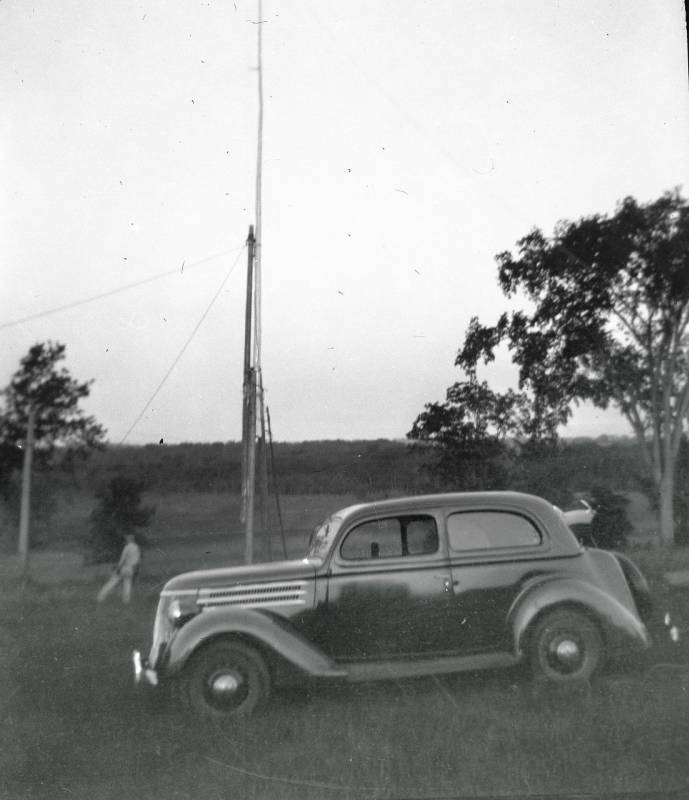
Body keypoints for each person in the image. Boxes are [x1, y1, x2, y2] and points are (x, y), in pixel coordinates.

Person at [97, 533, 141, 604]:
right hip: (132, 569)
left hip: (125, 567)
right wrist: (137, 569)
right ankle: (126, 600)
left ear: (128, 539)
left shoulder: (127, 547)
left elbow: (122, 559)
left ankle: (101, 596)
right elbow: (138, 560)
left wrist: (118, 569)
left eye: (126, 539)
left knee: (112, 582)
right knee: (127, 584)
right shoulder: (136, 547)